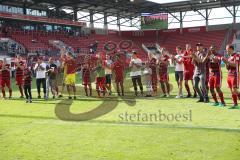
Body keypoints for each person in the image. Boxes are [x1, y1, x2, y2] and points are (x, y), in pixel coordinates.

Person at [222, 44, 240, 109]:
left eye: (227, 50)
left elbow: (235, 64)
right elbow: (228, 67)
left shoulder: (237, 55)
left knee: (234, 89)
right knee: (232, 90)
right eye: (226, 50)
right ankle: (235, 104)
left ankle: (236, 104)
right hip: (229, 75)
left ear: (231, 49)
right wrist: (226, 63)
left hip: (235, 74)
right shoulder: (229, 57)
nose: (227, 51)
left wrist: (227, 61)